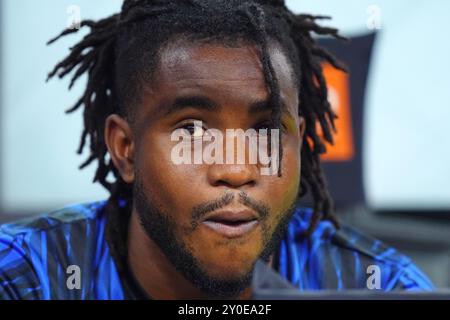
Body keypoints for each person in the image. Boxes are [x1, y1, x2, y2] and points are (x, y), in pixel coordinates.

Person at [0, 0, 433, 299]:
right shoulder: (25, 276)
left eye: (266, 129)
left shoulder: (382, 285)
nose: (237, 168)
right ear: (125, 149)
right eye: (192, 131)